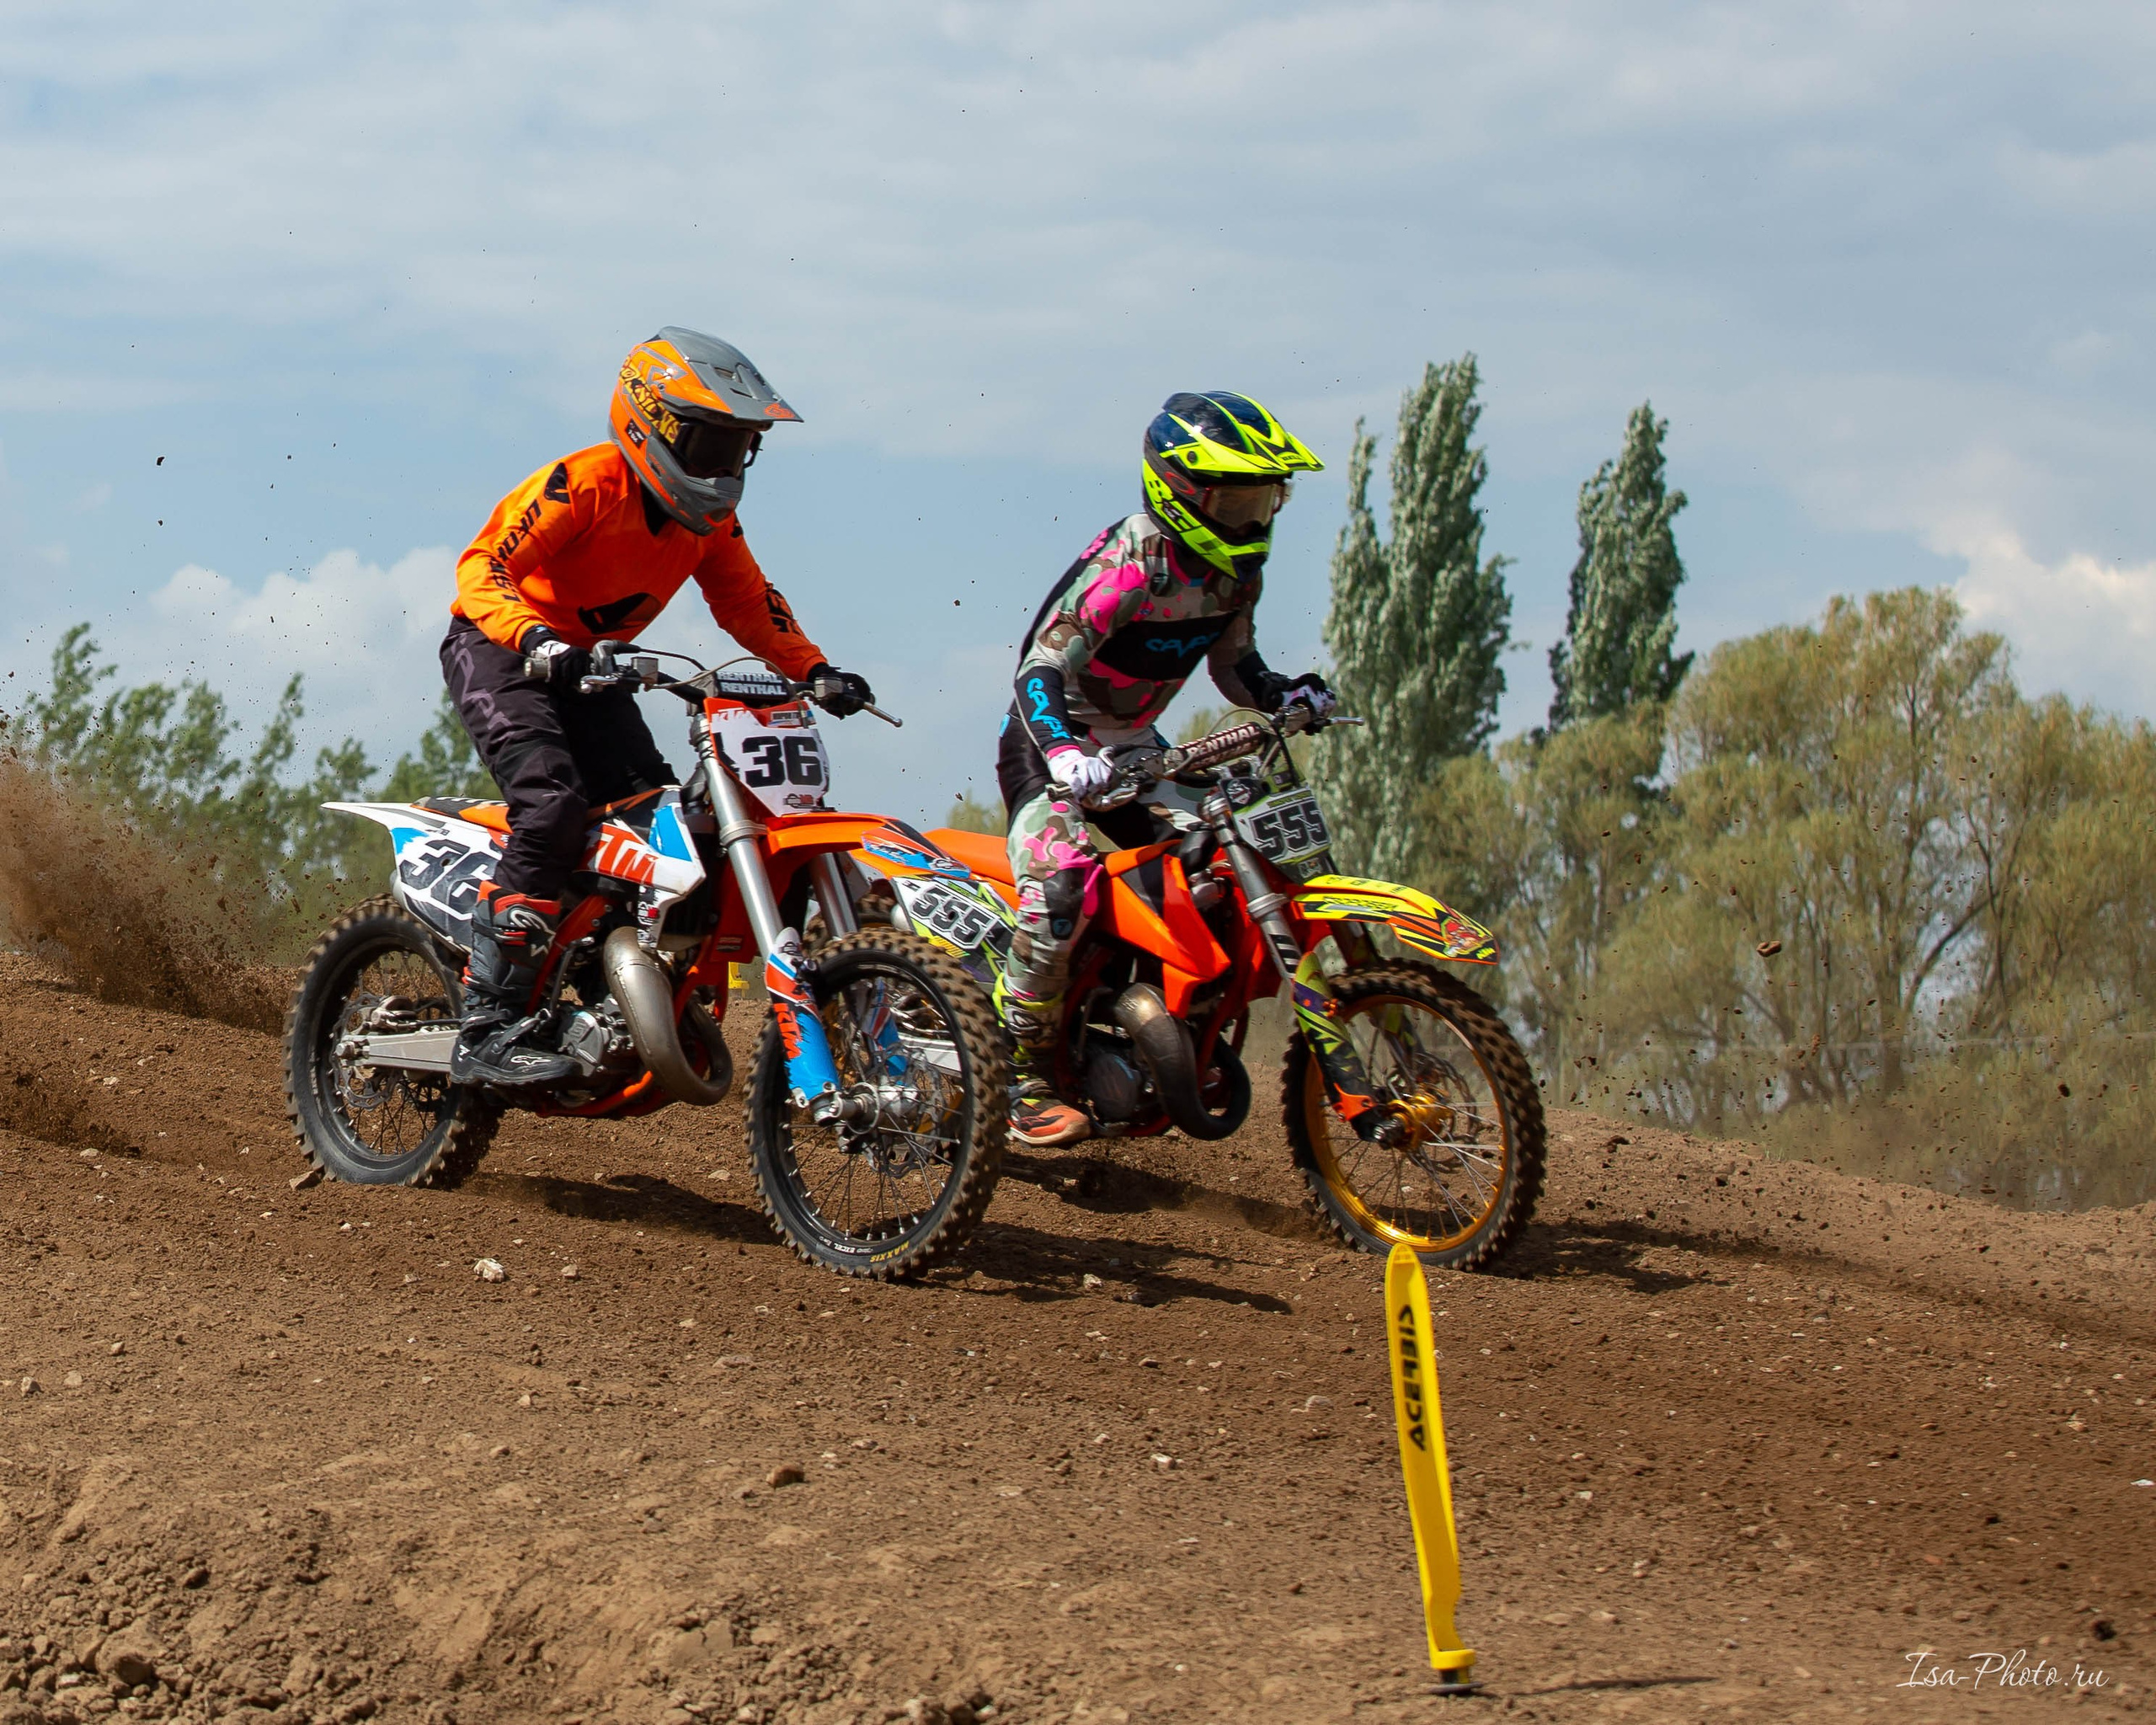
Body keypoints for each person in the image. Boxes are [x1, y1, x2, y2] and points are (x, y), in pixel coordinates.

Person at [441, 326, 874, 1086]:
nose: (725, 466)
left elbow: (748, 605)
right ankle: (487, 1025)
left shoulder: (708, 524)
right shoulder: (585, 482)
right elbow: (483, 569)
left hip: (592, 671)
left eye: (739, 449)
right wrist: (538, 640)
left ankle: (594, 982)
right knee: (551, 808)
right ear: (651, 423)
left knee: (657, 826)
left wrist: (816, 671)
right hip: (501, 650)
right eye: (710, 444)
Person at [995, 390, 1335, 1147]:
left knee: (1225, 862)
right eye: (1238, 499)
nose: (1254, 518)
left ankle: (1153, 1029)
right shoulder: (1130, 567)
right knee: (1060, 889)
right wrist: (1064, 752)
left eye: (1265, 499)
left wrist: (1287, 693)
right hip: (1051, 744)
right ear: (1181, 492)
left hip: (1141, 751)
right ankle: (1020, 1072)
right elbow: (1038, 670)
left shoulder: (1237, 575)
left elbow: (1236, 665)